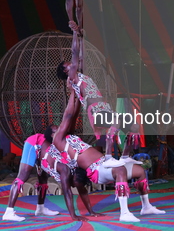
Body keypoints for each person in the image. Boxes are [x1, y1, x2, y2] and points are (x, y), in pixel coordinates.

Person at [51, 78, 165, 222]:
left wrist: (76, 92)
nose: (59, 127)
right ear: (52, 135)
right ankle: (124, 213)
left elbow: (73, 115)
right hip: (96, 170)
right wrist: (72, 91)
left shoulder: (70, 137)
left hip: (105, 163)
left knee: (140, 171)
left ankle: (146, 206)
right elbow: (68, 115)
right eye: (55, 129)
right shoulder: (59, 141)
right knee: (120, 171)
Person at [57, 22, 137, 165]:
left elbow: (80, 54)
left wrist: (81, 38)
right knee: (116, 122)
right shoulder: (73, 77)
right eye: (67, 64)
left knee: (134, 126)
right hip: (95, 110)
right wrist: (75, 33)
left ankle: (125, 156)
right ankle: (108, 156)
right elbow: (75, 53)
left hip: (104, 108)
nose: (70, 63)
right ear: (65, 70)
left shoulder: (79, 74)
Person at [41, 126, 102, 222]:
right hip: (38, 151)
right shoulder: (63, 167)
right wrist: (73, 216)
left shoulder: (69, 145)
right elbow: (66, 191)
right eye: (57, 130)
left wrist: (91, 212)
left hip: (66, 160)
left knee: (79, 183)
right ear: (53, 135)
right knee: (42, 180)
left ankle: (90, 210)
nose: (61, 130)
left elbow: (81, 189)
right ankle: (39, 207)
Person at [2, 133, 60, 221]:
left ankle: (40, 208)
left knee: (43, 179)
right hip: (34, 144)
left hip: (42, 151)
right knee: (22, 177)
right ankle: (9, 212)